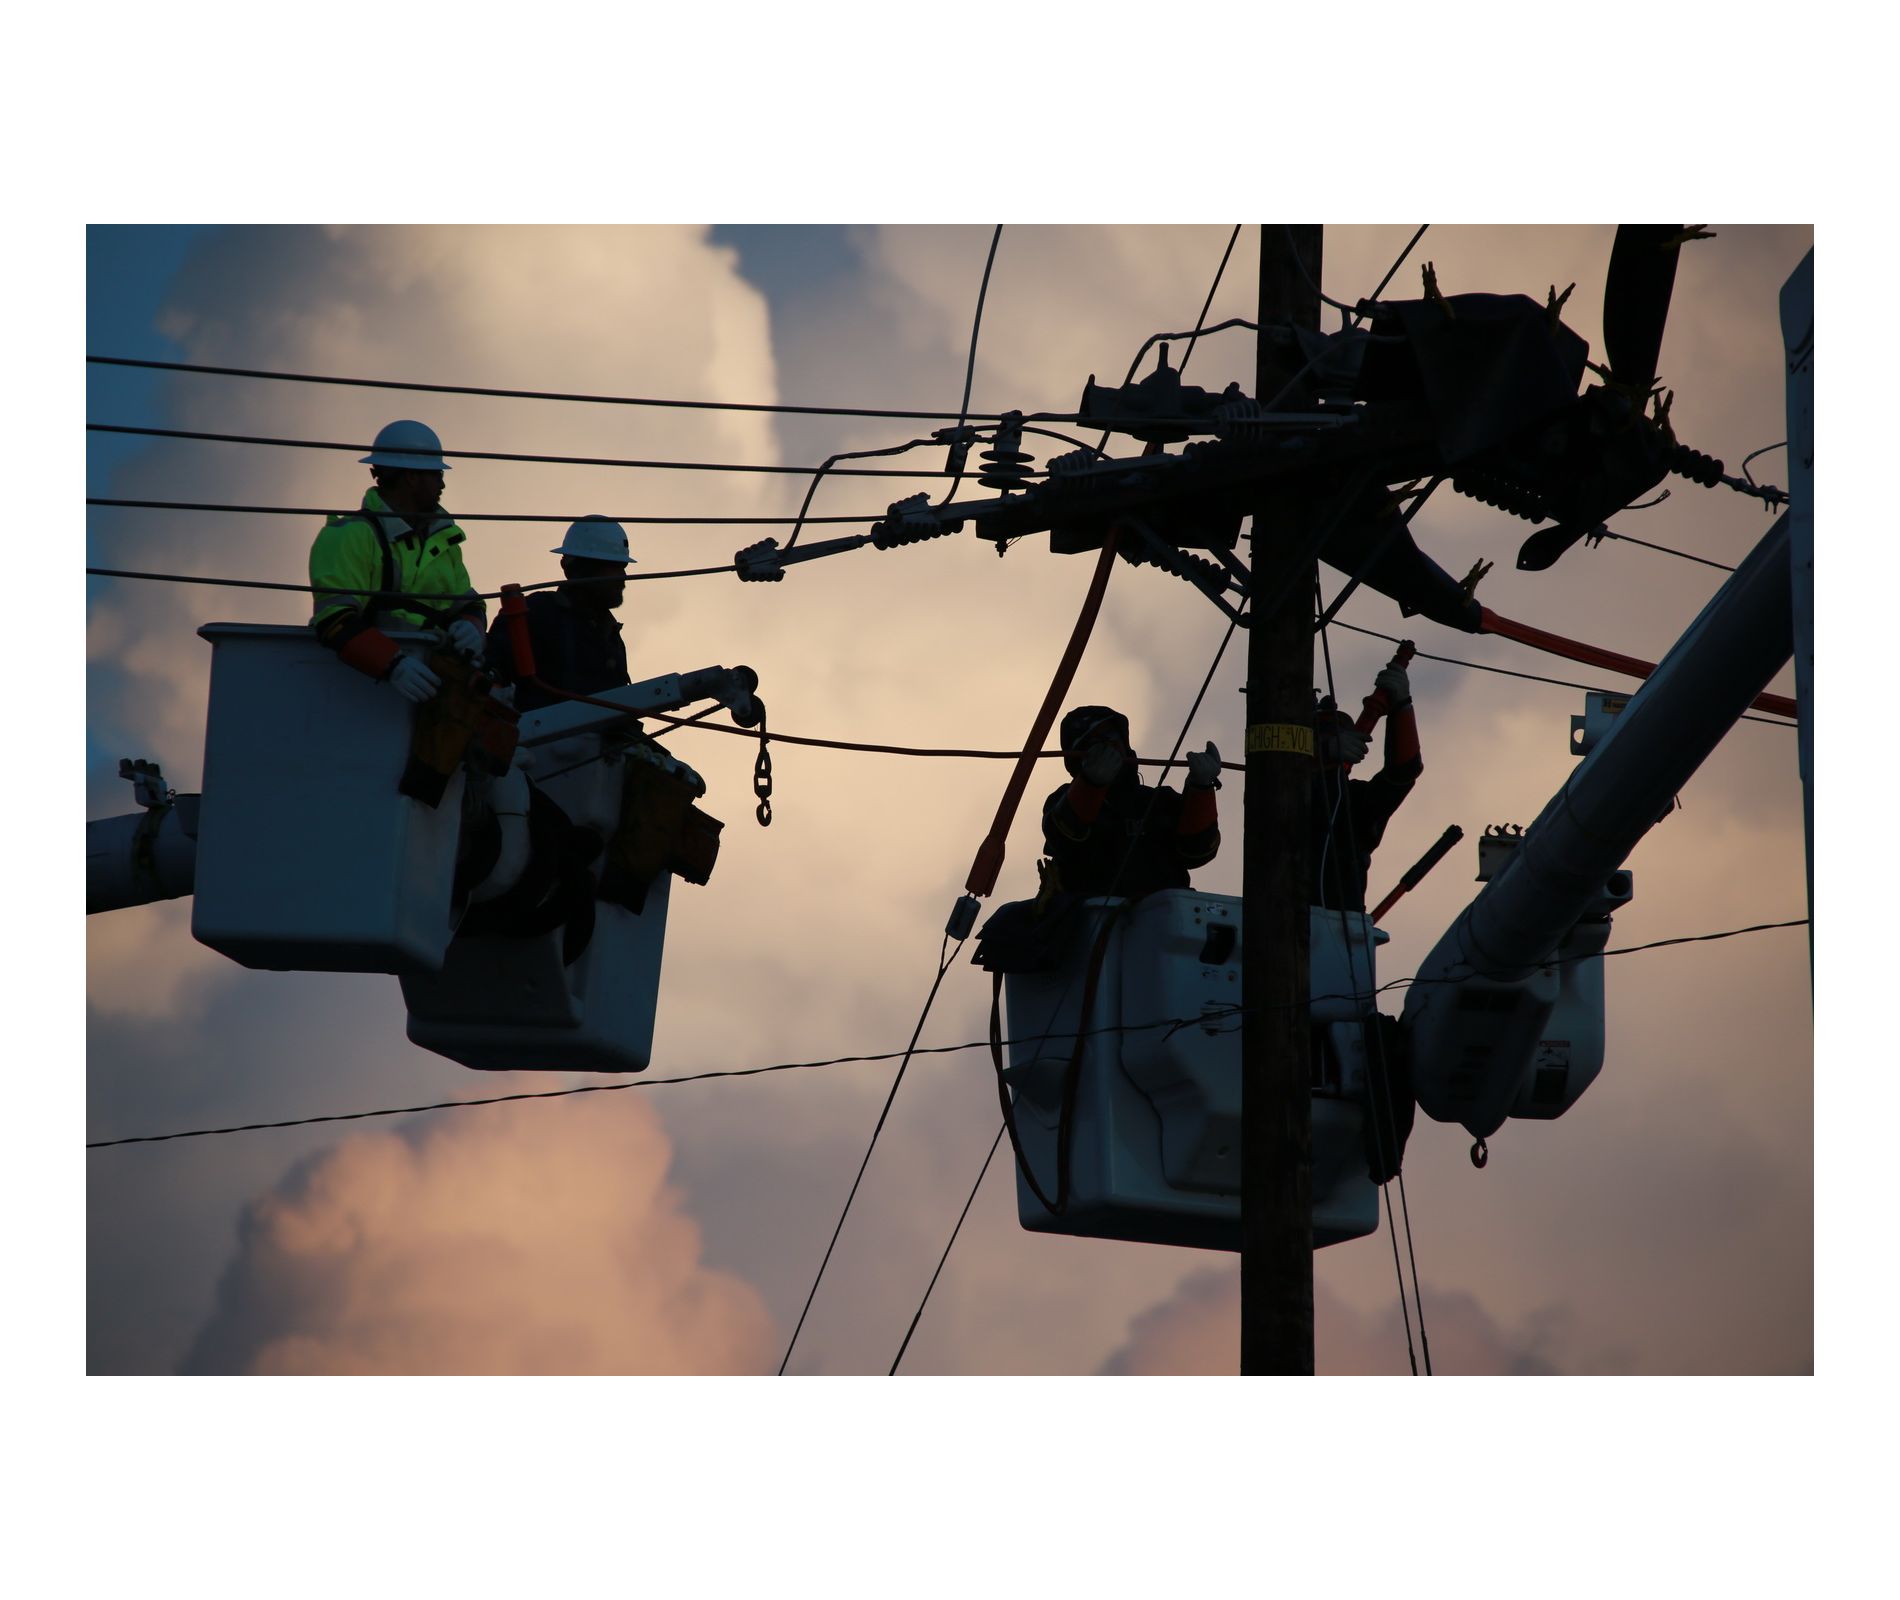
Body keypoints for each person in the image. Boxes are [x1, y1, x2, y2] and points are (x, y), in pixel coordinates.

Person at [308, 419, 485, 704]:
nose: (442, 483)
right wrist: (392, 664)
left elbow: (470, 605)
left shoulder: (444, 540)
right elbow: (334, 621)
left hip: (436, 687)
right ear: (412, 477)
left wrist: (472, 628)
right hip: (366, 693)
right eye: (436, 474)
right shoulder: (349, 536)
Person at [1041, 705, 1222, 897]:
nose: (1107, 747)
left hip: (1165, 916)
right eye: (1093, 743)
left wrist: (1201, 788)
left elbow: (1197, 851)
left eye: (1111, 737)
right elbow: (1063, 837)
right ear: (1077, 757)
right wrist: (1091, 783)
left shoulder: (1160, 801)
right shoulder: (1063, 800)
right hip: (1089, 918)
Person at [485, 516, 635, 713]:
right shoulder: (533, 614)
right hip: (536, 739)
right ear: (581, 568)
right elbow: (490, 673)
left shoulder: (609, 634)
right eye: (613, 567)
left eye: (623, 567)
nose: (623, 577)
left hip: (607, 741)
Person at [1311, 658, 1421, 911]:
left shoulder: (1353, 802)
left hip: (1341, 929)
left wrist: (1401, 706)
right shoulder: (1277, 792)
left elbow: (1403, 772)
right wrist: (1324, 753)